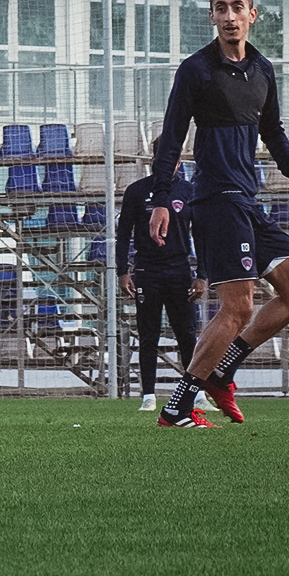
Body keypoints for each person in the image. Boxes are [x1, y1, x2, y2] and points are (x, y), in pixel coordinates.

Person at [148, 0, 289, 428]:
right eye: (220, 8)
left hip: (248, 200)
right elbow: (172, 138)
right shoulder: (196, 69)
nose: (229, 15)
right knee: (238, 306)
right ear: (211, 16)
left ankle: (224, 370)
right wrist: (162, 197)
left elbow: (273, 129)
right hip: (215, 200)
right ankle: (178, 406)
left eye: (237, 7)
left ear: (251, 15)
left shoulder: (262, 68)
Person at [116, 138, 205, 411]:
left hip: (179, 270)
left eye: (177, 158)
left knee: (187, 335)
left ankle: (197, 394)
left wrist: (202, 274)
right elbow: (122, 236)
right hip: (147, 271)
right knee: (148, 335)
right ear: (156, 159)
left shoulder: (190, 191)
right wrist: (122, 272)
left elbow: (200, 235)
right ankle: (148, 396)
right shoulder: (137, 191)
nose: (173, 163)